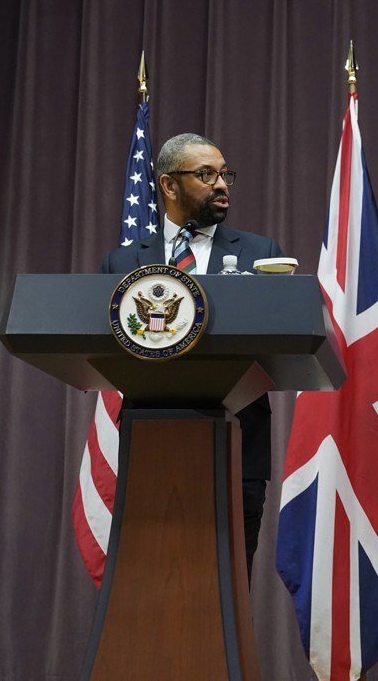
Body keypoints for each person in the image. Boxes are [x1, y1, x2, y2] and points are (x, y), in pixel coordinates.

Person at [101, 132, 284, 582]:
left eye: (225, 174)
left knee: (229, 595)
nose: (221, 184)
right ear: (168, 185)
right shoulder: (121, 263)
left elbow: (279, 342)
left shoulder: (261, 254)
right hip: (151, 447)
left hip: (238, 448)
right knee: (150, 590)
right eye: (206, 174)